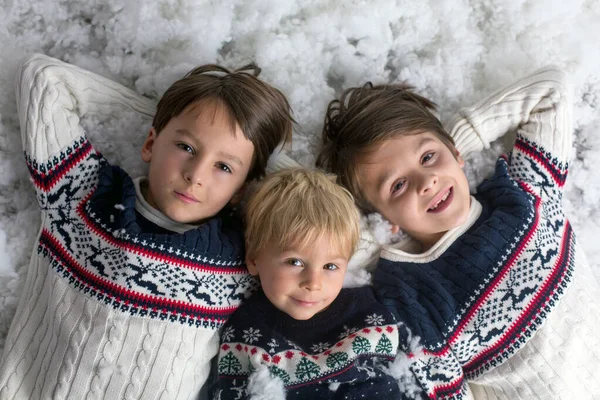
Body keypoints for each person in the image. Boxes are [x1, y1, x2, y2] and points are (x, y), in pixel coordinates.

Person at [0, 53, 294, 400]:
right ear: (150, 143)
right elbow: (43, 78)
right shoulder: (83, 197)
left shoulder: (244, 260)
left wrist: (273, 172)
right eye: (185, 147)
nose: (195, 175)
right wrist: (168, 114)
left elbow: (334, 222)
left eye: (225, 168)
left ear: (242, 188)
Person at [317, 67, 600, 399]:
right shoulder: (408, 296)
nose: (427, 181)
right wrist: (369, 228)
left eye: (427, 156)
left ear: (454, 152)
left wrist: (452, 144)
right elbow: (313, 233)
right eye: (398, 185)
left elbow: (551, 90)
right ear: (382, 218)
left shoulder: (522, 194)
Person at [211, 168, 424, 399]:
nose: (313, 283)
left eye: (330, 266)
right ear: (253, 259)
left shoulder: (369, 313)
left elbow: (409, 379)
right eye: (295, 262)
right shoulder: (247, 332)